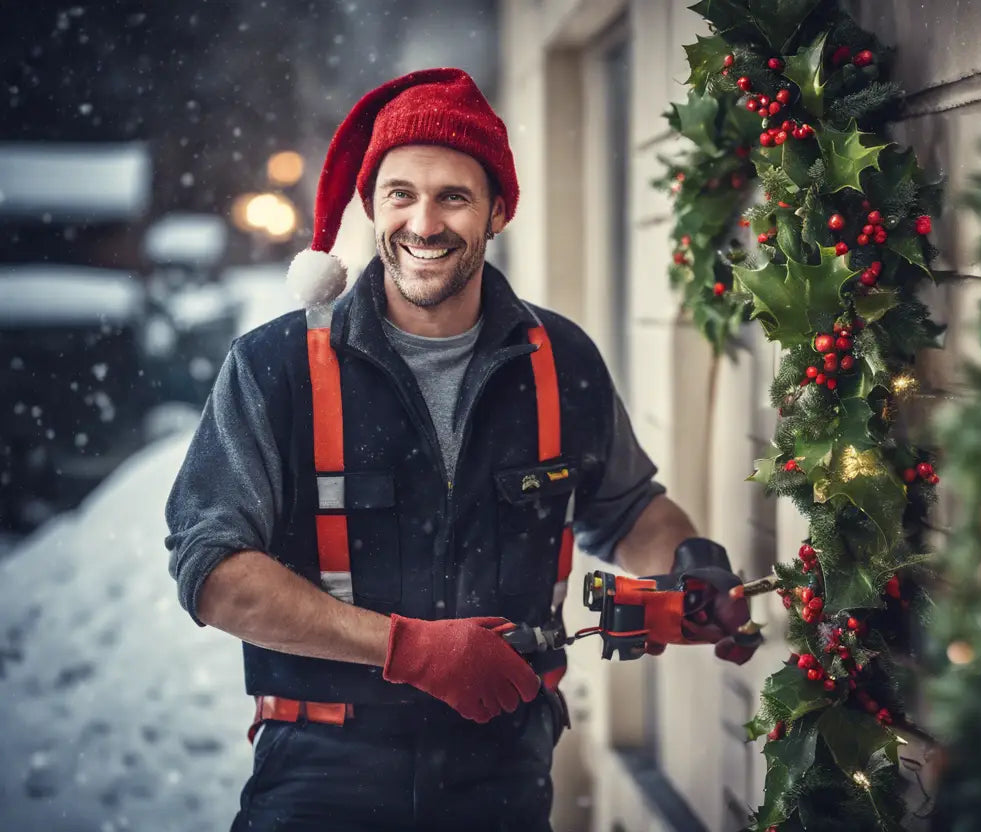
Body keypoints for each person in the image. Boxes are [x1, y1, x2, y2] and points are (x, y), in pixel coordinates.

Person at [165, 67, 757, 832]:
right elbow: (212, 572)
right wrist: (409, 649)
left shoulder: (558, 359)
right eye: (400, 194)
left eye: (454, 196)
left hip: (503, 773)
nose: (423, 222)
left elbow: (624, 508)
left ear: (498, 211)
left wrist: (689, 563)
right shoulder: (272, 368)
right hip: (320, 774)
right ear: (372, 206)